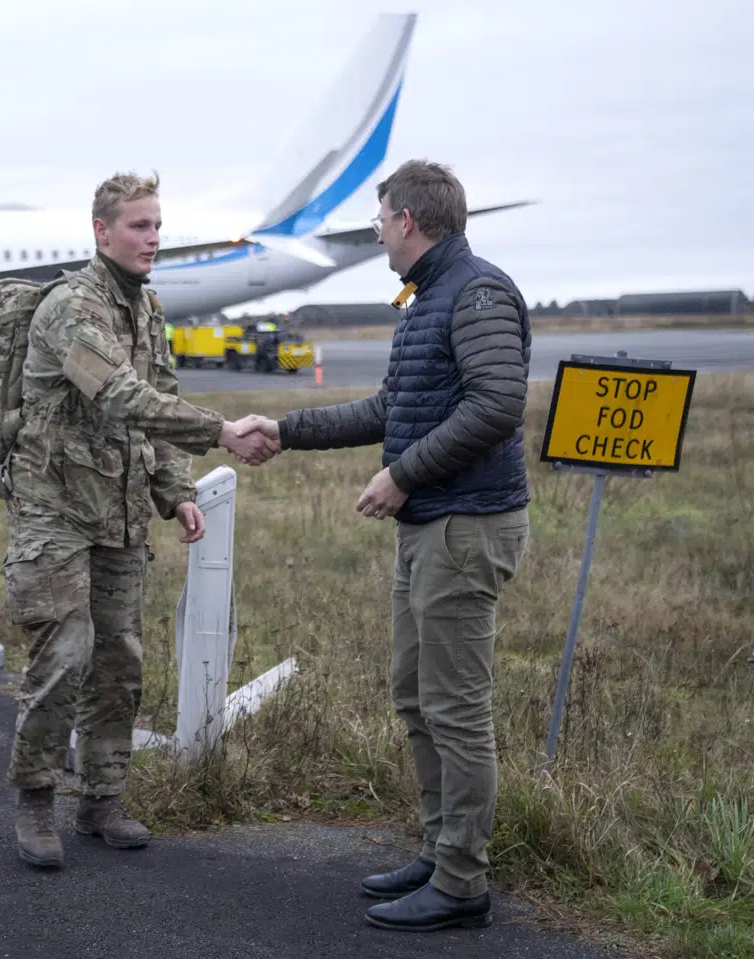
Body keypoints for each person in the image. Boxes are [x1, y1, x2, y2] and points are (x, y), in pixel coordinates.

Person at [237, 159, 531, 931]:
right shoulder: (430, 295)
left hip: (465, 524)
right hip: (432, 523)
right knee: (416, 693)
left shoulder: (476, 292)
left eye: (379, 220)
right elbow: (391, 407)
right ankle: (440, 850)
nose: (375, 235)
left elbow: (498, 403)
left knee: (456, 708)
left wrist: (403, 474)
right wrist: (287, 430)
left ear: (407, 220)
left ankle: (462, 881)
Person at [0, 172, 277, 869]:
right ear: (102, 231)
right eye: (139, 226)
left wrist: (174, 490)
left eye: (157, 225)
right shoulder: (72, 307)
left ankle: (102, 798)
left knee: (119, 662)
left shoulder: (146, 308)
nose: (153, 238)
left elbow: (160, 399)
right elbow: (122, 396)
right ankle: (36, 799)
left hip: (119, 516)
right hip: (56, 510)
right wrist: (220, 431)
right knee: (63, 656)